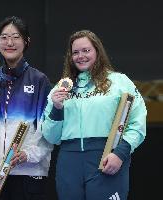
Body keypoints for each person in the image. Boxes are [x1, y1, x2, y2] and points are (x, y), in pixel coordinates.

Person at [41, 30, 147, 200]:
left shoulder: (119, 82)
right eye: (75, 52)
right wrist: (57, 108)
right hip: (69, 162)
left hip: (106, 158)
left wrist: (120, 153)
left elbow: (137, 122)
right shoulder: (60, 89)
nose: (80, 56)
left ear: (97, 51)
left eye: (86, 50)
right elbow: (52, 137)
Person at [0, 16, 53, 200]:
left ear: (26, 41)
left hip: (28, 170)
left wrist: (29, 154)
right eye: (4, 37)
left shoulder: (39, 80)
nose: (10, 42)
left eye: (16, 37)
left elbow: (49, 130)